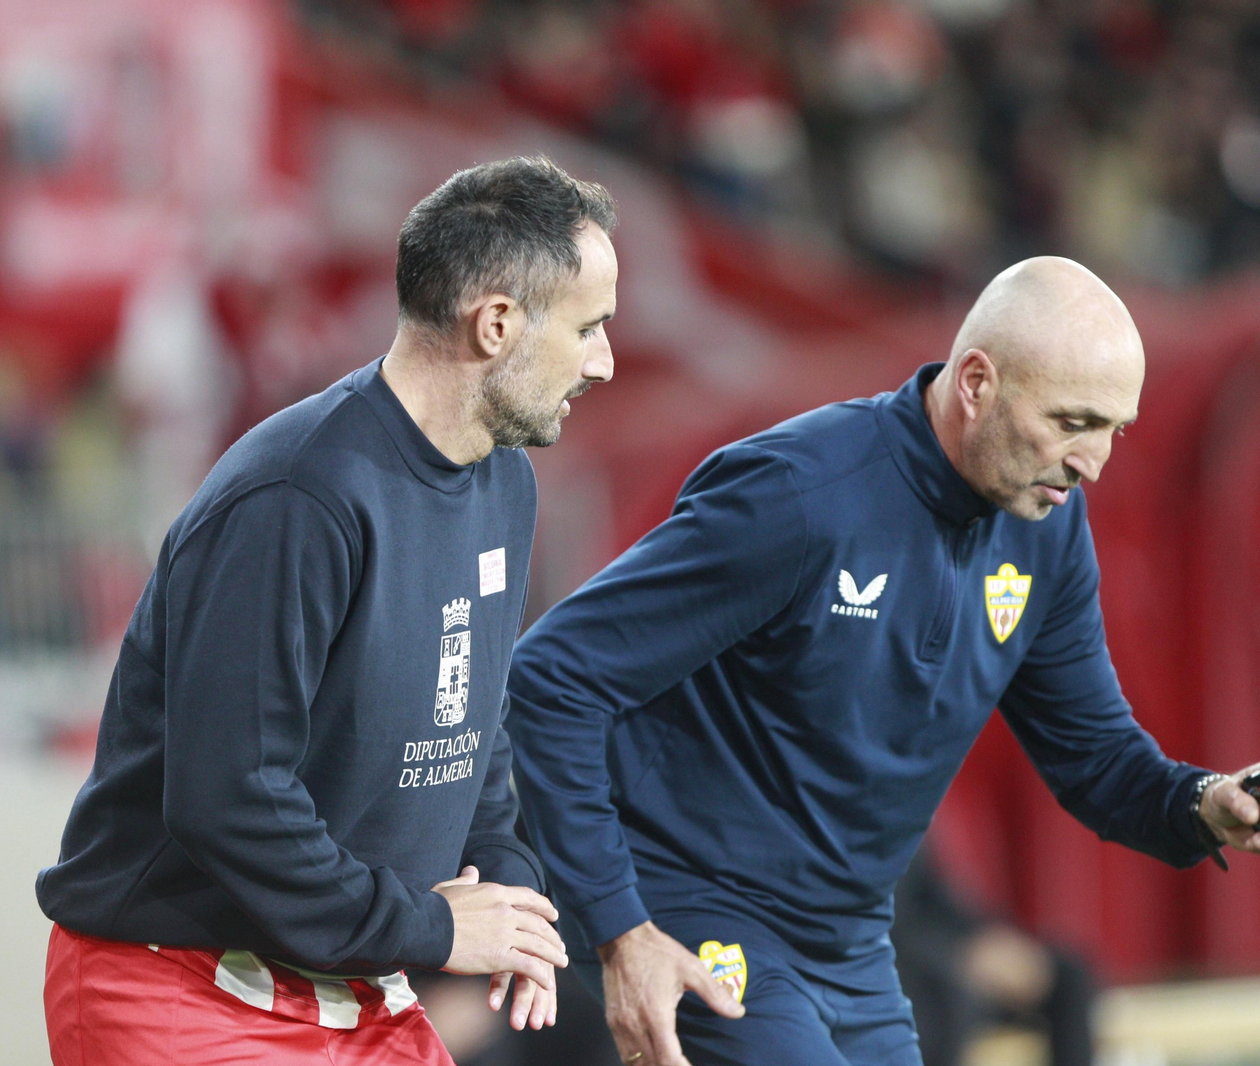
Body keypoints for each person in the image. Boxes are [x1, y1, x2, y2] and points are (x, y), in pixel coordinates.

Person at [505, 256, 1260, 1066]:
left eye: (1116, 429)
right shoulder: (800, 494)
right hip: (694, 905)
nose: (1094, 462)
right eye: (1073, 421)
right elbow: (553, 676)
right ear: (976, 383)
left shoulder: (1047, 530)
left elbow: (1096, 756)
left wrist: (1202, 801)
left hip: (855, 940)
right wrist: (620, 929)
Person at [35, 155, 618, 1066]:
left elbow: (472, 723)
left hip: (357, 996)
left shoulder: (506, 483)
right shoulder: (298, 496)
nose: (604, 361)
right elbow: (227, 794)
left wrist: (508, 891)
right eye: (589, 329)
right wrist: (428, 925)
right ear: (496, 324)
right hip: (180, 994)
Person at [892, 841, 1095, 1066]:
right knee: (946, 993)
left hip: (954, 952)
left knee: (1067, 973)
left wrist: (989, 938)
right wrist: (960, 954)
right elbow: (885, 926)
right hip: (909, 968)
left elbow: (938, 899)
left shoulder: (904, 823)